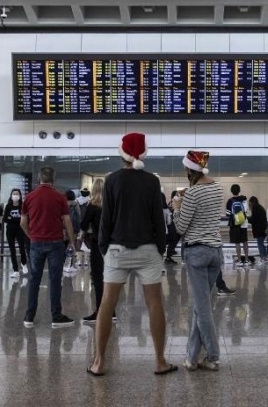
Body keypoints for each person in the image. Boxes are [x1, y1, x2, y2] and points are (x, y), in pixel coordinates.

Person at [89, 132, 176, 376]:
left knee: (107, 303)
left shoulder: (112, 180)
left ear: (122, 153)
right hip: (147, 249)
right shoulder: (151, 181)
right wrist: (160, 248)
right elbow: (158, 219)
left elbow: (106, 220)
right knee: (154, 302)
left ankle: (99, 362)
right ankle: (160, 361)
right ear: (143, 153)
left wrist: (104, 248)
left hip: (117, 249)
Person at [171, 150, 224, 372]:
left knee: (203, 309)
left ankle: (213, 356)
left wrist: (176, 209)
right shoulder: (218, 188)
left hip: (197, 252)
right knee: (200, 306)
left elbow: (181, 227)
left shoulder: (192, 193)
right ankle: (192, 358)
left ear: (189, 169)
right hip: (216, 251)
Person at [21, 167, 75, 328]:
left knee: (34, 280)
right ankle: (56, 317)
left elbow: (23, 222)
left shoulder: (29, 197)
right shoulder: (60, 197)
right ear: (53, 179)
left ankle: (29, 317)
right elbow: (67, 221)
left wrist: (31, 235)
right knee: (55, 280)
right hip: (56, 243)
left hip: (36, 242)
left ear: (39, 178)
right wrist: (72, 241)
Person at [81, 178, 115, 323]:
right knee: (110, 278)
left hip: (97, 244)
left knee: (98, 279)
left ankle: (100, 310)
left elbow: (83, 225)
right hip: (112, 245)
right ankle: (111, 311)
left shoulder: (92, 206)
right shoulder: (112, 205)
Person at [3, 189, 30, 279]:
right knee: (12, 250)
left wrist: (11, 219)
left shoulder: (22, 206)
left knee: (22, 247)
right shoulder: (8, 206)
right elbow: (5, 219)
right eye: (14, 194)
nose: (15, 195)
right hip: (10, 230)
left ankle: (24, 263)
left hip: (20, 230)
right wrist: (17, 219)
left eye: (17, 194)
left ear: (20, 195)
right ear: (11, 195)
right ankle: (15, 270)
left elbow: (25, 218)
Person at [226, 185, 252, 266]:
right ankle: (247, 260)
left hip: (235, 224)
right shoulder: (244, 200)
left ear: (231, 191)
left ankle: (239, 260)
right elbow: (246, 211)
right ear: (239, 190)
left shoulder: (230, 201)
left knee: (237, 242)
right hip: (243, 223)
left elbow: (228, 214)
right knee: (245, 241)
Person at [248, 196, 268, 264]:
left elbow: (253, 219)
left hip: (259, 229)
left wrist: (246, 218)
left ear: (252, 202)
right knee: (262, 244)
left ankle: (262, 258)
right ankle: (265, 257)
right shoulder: (259, 207)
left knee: (260, 244)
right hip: (263, 228)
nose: (249, 205)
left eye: (250, 203)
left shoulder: (255, 208)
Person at [164, 191, 181, 264]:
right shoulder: (173, 203)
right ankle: (168, 256)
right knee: (172, 240)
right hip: (172, 226)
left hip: (170, 225)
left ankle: (168, 255)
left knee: (171, 240)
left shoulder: (170, 203)